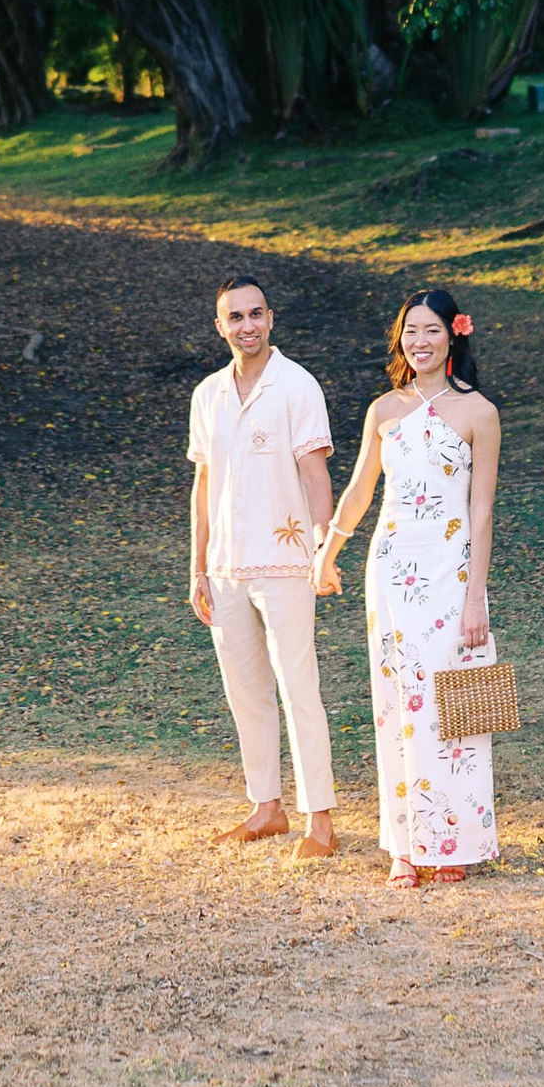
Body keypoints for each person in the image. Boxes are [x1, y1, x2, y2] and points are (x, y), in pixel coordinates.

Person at [314, 286, 501, 888]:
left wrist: (476, 597)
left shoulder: (480, 413)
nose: (419, 342)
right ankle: (405, 846)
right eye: (410, 331)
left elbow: (481, 512)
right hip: (392, 572)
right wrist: (328, 550)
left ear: (454, 335)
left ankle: (455, 842)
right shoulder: (384, 410)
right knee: (399, 705)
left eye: (431, 331)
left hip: (452, 575)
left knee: (455, 706)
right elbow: (361, 489)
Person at [187, 274, 338, 856]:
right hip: (224, 566)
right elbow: (203, 484)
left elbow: (315, 473)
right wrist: (197, 567)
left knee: (300, 687)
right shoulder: (208, 394)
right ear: (220, 325)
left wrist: (323, 550)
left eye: (256, 314)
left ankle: (319, 819)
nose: (246, 326)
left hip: (286, 561)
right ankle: (265, 807)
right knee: (245, 691)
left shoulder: (297, 385)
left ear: (271, 318)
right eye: (235, 317)